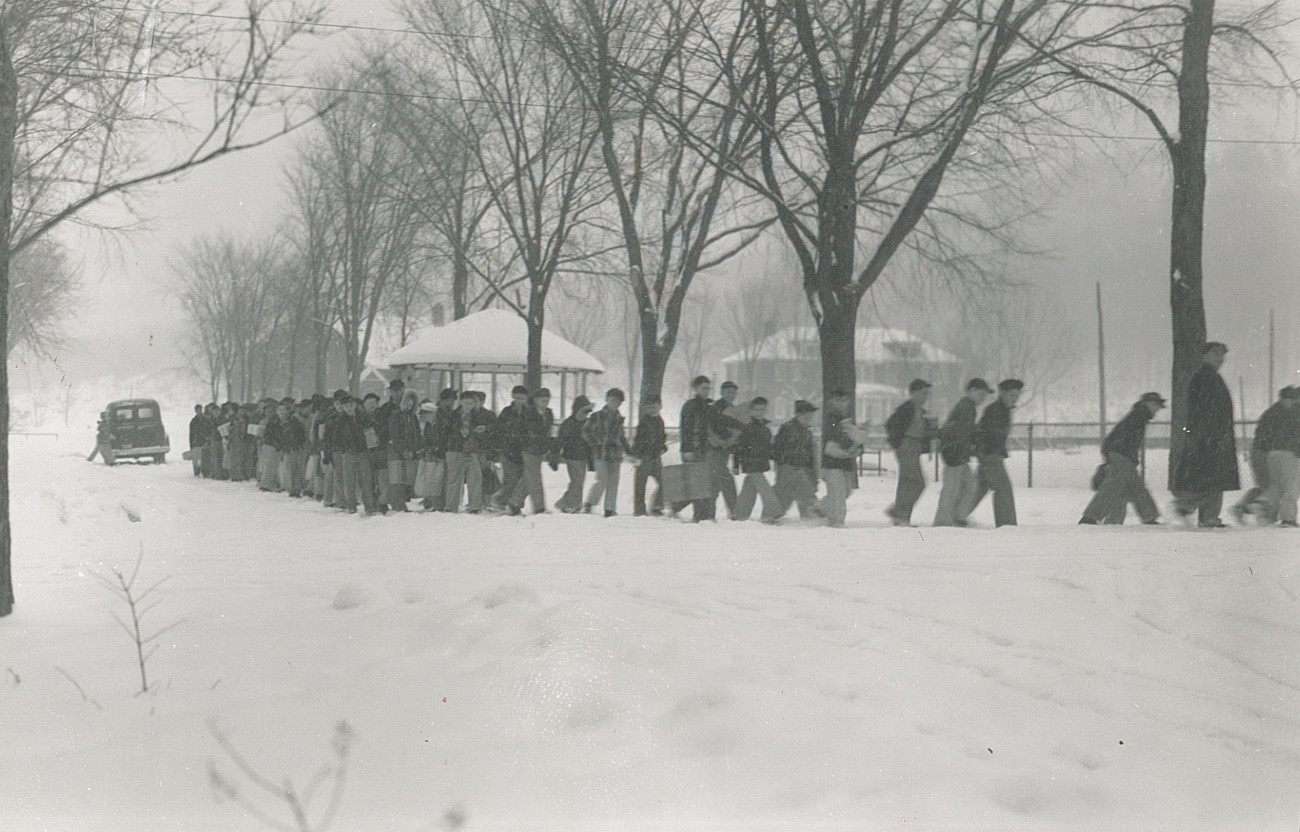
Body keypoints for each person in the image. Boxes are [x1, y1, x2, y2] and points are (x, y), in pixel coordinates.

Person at [1171, 341, 1239, 527]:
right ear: (1205, 356)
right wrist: (1207, 435)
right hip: (1210, 437)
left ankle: (1209, 517)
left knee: (1216, 478)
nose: (1220, 357)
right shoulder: (1203, 377)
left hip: (1216, 436)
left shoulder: (1212, 376)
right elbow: (1202, 410)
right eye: (1215, 353)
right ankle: (1187, 506)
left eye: (1222, 354)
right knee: (1214, 478)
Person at [1079, 392, 1165, 525]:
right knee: (1115, 486)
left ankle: (1149, 517)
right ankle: (1090, 517)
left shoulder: (1140, 414)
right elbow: (1126, 438)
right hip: (1120, 454)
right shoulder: (1140, 414)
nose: (1158, 409)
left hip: (1120, 453)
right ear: (1149, 403)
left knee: (1135, 485)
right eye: (1157, 405)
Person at [961, 378, 1022, 527]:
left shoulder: (1002, 410)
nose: (1014, 399)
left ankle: (957, 515)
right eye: (1011, 395)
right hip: (990, 455)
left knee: (978, 488)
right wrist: (988, 454)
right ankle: (1007, 524)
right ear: (1002, 393)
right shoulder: (995, 410)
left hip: (991, 455)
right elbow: (986, 434)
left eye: (1016, 396)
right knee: (1003, 488)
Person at [933, 379, 992, 526]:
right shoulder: (966, 407)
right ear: (971, 391)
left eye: (985, 395)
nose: (983, 398)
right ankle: (944, 521)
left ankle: (957, 517)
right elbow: (961, 432)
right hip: (955, 453)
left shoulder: (967, 406)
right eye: (981, 393)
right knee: (953, 488)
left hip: (958, 453)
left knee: (970, 486)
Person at [885, 379, 939, 526]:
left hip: (913, 447)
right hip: (908, 446)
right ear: (913, 393)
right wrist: (899, 444)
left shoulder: (920, 411)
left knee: (908, 482)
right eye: (923, 393)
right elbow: (890, 424)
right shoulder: (907, 408)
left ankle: (901, 515)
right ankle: (900, 513)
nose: (925, 397)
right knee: (915, 482)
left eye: (927, 394)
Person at [1233, 386, 1288, 524]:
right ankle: (1263, 511)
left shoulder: (1274, 412)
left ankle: (1244, 507)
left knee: (1266, 486)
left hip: (1262, 451)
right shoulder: (1280, 413)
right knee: (1273, 486)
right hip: (1265, 452)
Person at [771, 400, 826, 521]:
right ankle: (772, 515)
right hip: (787, 466)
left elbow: (810, 454)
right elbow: (777, 448)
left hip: (801, 468)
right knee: (785, 492)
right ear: (798, 415)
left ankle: (809, 516)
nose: (809, 419)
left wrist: (813, 473)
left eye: (811, 417)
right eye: (807, 417)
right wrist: (782, 462)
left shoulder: (807, 431)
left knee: (803, 491)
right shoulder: (787, 428)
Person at [1255, 386, 1300, 527]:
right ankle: (1288, 519)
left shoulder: (1270, 412)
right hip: (1289, 453)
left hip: (1271, 454)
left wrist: (1266, 449)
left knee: (1277, 486)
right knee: (1290, 487)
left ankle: (1263, 504)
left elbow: (1260, 432)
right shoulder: (1295, 412)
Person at [444, 390, 494, 513]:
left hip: (472, 450)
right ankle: (451, 506)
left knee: (475, 477)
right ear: (461, 402)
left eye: (471, 403)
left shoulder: (478, 416)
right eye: (466, 403)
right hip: (456, 450)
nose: (468, 406)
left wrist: (482, 431)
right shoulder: (452, 415)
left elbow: (491, 428)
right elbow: (445, 433)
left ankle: (475, 506)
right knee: (454, 479)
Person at [732, 397, 780, 522]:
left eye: (762, 409)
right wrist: (736, 464)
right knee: (765, 489)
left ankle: (739, 514)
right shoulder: (747, 429)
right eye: (757, 410)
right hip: (751, 464)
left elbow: (769, 448)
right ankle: (772, 513)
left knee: (749, 489)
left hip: (760, 463)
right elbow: (739, 448)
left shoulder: (765, 430)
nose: (760, 412)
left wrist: (775, 457)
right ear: (751, 412)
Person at [507, 388, 554, 516]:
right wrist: (525, 443)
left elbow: (549, 432)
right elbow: (519, 431)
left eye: (547, 400)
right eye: (543, 400)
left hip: (540, 449)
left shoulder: (548, 414)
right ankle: (539, 507)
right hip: (529, 449)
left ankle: (515, 502)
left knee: (529, 476)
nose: (545, 402)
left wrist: (549, 447)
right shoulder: (528, 414)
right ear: (535, 400)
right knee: (535, 477)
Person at [583, 388, 630, 517]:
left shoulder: (619, 418)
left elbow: (621, 436)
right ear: (607, 400)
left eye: (619, 401)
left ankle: (609, 509)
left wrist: (628, 450)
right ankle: (590, 502)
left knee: (614, 481)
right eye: (613, 400)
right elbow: (586, 431)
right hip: (601, 453)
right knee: (602, 479)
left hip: (615, 454)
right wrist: (596, 443)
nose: (616, 403)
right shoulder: (596, 416)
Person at [821, 389, 863, 528]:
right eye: (837, 400)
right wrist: (853, 443)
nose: (841, 404)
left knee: (843, 490)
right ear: (830, 402)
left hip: (842, 461)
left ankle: (822, 508)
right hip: (833, 462)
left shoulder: (846, 419)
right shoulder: (831, 419)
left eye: (843, 400)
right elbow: (835, 436)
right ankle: (837, 519)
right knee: (839, 491)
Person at [678, 375, 715, 520]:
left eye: (708, 388)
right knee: (696, 482)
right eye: (703, 388)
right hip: (693, 448)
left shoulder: (707, 406)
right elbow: (686, 429)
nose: (706, 391)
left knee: (702, 482)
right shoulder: (691, 406)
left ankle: (703, 514)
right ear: (696, 389)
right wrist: (687, 449)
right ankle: (698, 514)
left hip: (704, 449)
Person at [335, 394, 379, 515]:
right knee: (349, 481)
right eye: (346, 406)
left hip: (363, 452)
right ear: (343, 408)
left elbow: (370, 433)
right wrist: (343, 448)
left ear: (355, 405)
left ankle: (369, 506)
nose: (349, 408)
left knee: (366, 480)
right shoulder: (340, 420)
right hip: (348, 453)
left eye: (350, 405)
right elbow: (337, 437)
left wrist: (371, 448)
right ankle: (351, 506)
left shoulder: (363, 417)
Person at [706, 381, 744, 517]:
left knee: (715, 481)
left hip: (725, 451)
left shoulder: (734, 411)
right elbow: (711, 428)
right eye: (728, 392)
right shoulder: (715, 408)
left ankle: (708, 512)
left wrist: (736, 462)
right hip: (713, 449)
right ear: (722, 393)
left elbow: (739, 434)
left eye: (733, 393)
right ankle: (734, 510)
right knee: (725, 478)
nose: (731, 395)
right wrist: (723, 439)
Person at [553, 395, 594, 513]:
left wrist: (591, 459)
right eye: (584, 411)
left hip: (583, 457)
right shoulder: (568, 424)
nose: (586, 414)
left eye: (587, 412)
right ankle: (571, 503)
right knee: (577, 481)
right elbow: (560, 440)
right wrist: (555, 455)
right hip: (571, 456)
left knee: (579, 481)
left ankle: (568, 502)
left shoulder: (588, 424)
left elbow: (591, 442)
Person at [494, 385, 532, 510]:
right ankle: (502, 501)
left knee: (524, 480)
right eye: (517, 398)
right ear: (512, 397)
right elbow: (499, 429)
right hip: (508, 450)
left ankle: (513, 502)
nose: (519, 400)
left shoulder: (529, 413)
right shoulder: (506, 412)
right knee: (511, 479)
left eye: (522, 398)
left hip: (524, 451)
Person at [386, 389, 423, 511]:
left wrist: (414, 450)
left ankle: (402, 502)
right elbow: (394, 435)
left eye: (412, 401)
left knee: (406, 478)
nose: (409, 404)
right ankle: (397, 504)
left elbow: (417, 435)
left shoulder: (413, 417)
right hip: (397, 452)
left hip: (410, 453)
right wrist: (403, 450)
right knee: (397, 478)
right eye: (407, 401)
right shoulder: (396, 415)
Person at [631, 394, 667, 517]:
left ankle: (657, 504)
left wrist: (663, 446)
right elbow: (638, 440)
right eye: (650, 407)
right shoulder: (644, 422)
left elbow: (662, 438)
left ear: (660, 407)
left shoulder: (660, 421)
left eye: (655, 407)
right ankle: (639, 508)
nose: (653, 410)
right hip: (644, 457)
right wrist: (638, 455)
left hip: (656, 457)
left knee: (664, 480)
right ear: (646, 408)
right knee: (640, 485)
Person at [188, 404, 206, 476]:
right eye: (198, 410)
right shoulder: (193, 421)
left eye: (200, 410)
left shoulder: (205, 420)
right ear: (195, 411)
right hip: (196, 441)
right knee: (196, 458)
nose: (199, 411)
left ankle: (204, 471)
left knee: (204, 458)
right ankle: (196, 471)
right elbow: (191, 434)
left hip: (204, 441)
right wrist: (191, 444)